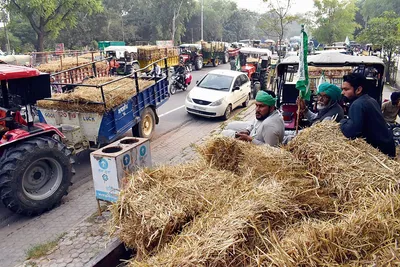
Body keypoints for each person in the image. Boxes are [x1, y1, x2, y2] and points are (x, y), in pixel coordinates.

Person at [340, 73, 395, 157]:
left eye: (346, 89)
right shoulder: (370, 100)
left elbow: (350, 132)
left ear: (358, 90)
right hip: (388, 147)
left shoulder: (358, 104)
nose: (342, 92)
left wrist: (342, 121)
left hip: (380, 153)